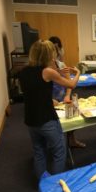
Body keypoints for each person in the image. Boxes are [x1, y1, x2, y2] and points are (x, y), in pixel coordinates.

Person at [19, 40, 80, 179]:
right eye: (52, 54)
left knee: (39, 151)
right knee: (59, 151)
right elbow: (71, 84)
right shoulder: (47, 72)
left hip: (30, 119)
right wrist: (77, 73)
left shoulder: (24, 71)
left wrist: (57, 71)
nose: (54, 57)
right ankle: (55, 185)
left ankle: (44, 184)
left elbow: (35, 90)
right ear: (47, 55)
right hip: (46, 120)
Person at [49, 36, 85, 148]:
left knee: (71, 118)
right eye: (52, 49)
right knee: (53, 124)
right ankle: (54, 144)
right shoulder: (44, 67)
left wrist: (67, 95)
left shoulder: (61, 65)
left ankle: (71, 140)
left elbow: (69, 83)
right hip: (49, 99)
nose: (55, 52)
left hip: (62, 97)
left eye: (57, 49)